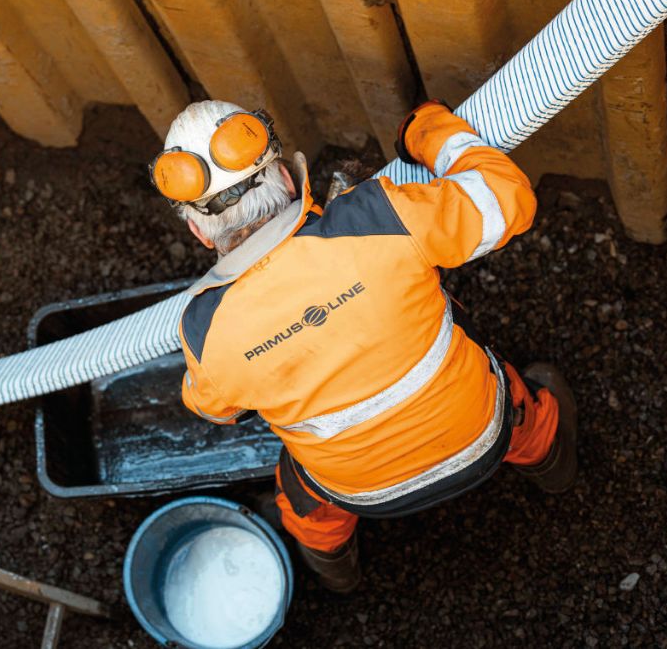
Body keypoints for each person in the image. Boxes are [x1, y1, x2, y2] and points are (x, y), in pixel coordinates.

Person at [149, 99, 577, 592]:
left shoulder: (204, 329)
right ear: (288, 179)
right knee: (509, 392)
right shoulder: (377, 216)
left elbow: (214, 409)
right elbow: (508, 199)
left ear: (199, 231)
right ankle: (552, 461)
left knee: (301, 492)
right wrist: (427, 131)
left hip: (360, 492)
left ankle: (335, 569)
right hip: (481, 434)